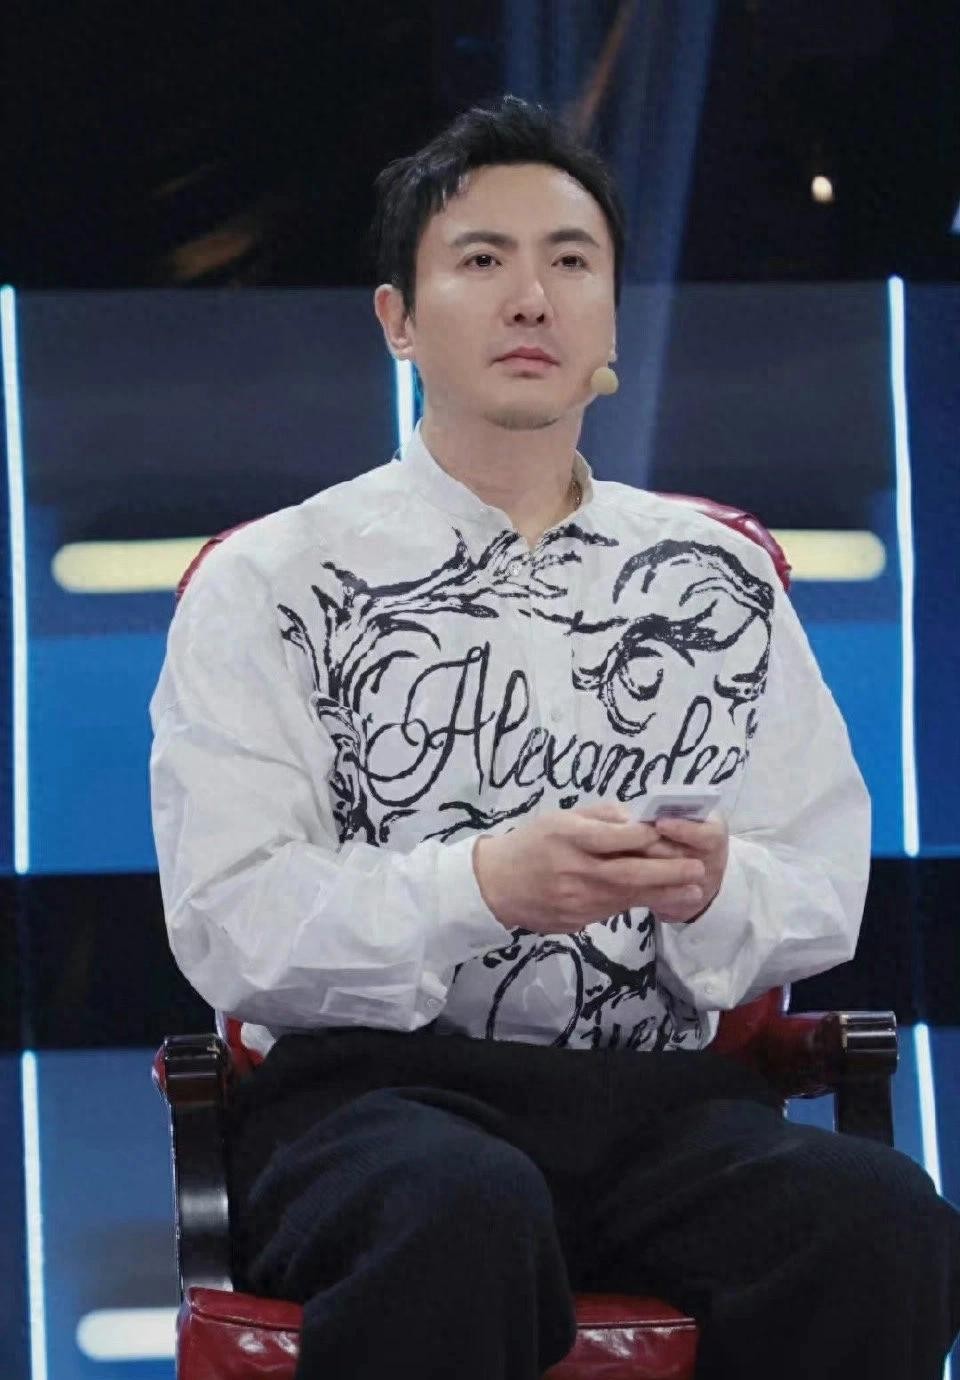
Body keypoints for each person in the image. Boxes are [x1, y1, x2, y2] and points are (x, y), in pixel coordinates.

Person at [149, 96, 960, 1379]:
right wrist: (482, 886)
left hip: (664, 1112)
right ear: (398, 320)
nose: (531, 299)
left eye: (571, 262)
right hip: (367, 1107)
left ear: (610, 322)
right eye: (482, 260)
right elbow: (231, 920)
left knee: (880, 1223)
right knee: (461, 1210)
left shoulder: (719, 575)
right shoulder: (272, 582)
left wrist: (711, 886)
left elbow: (820, 885)